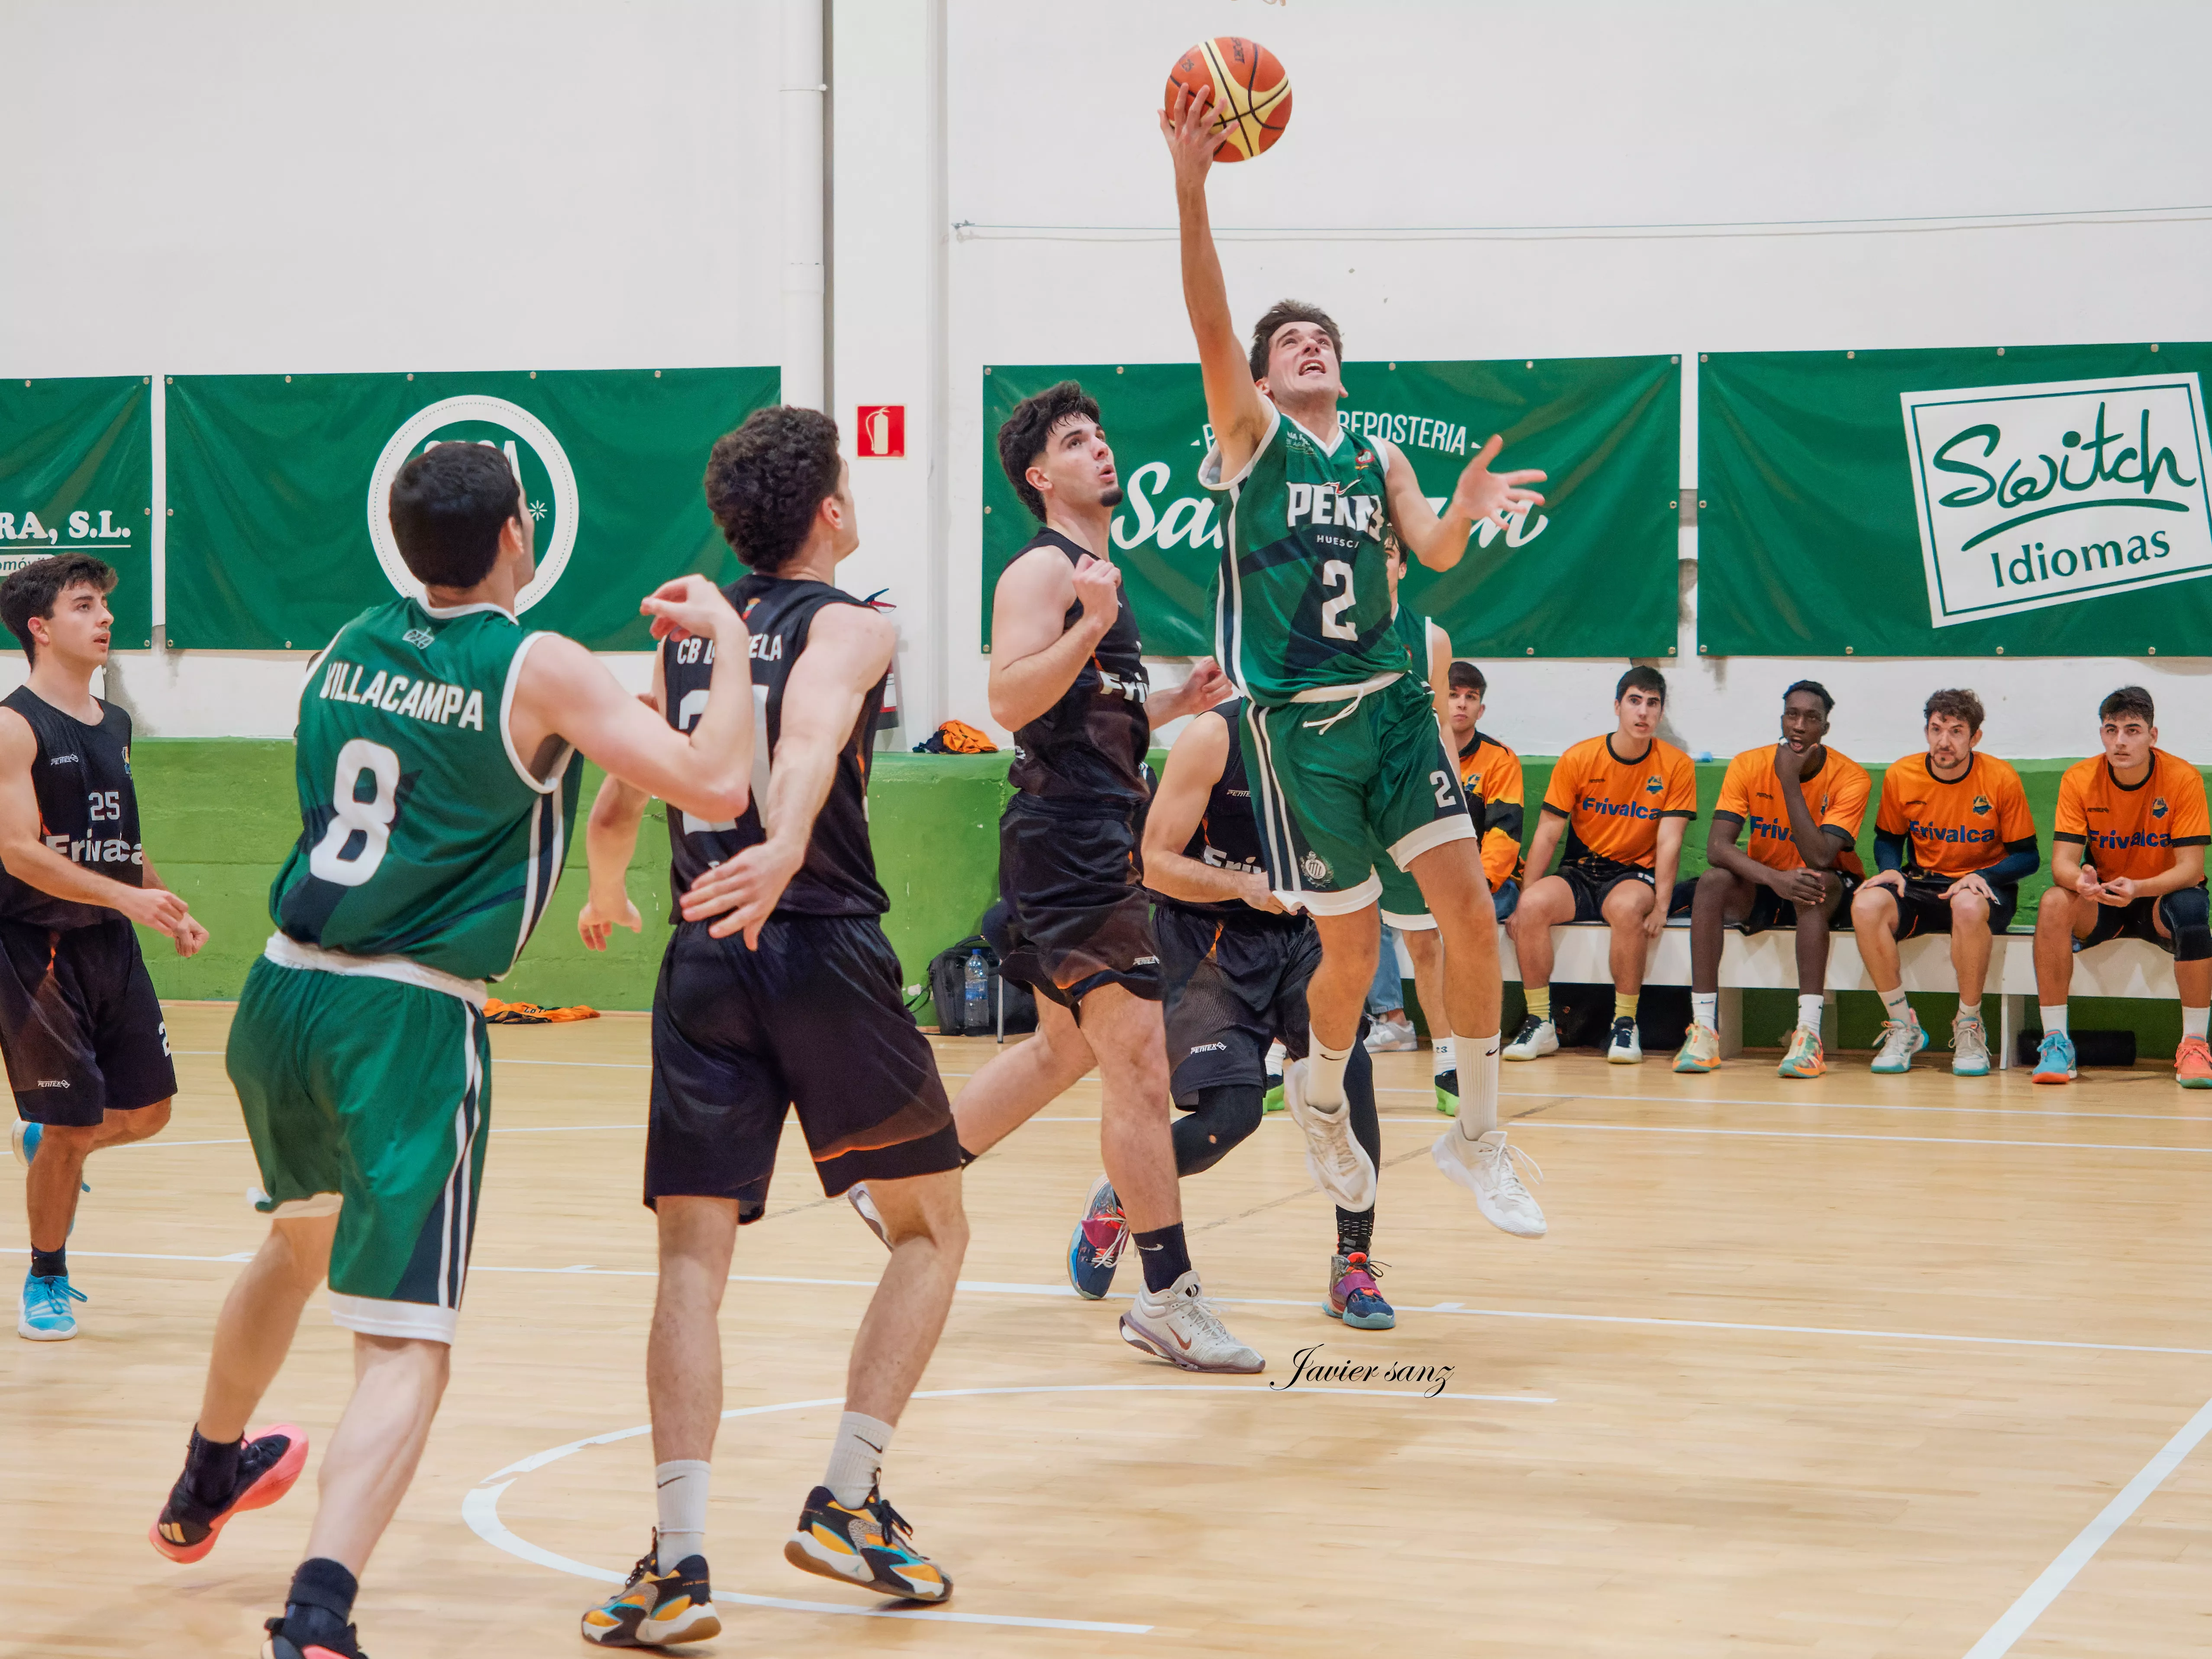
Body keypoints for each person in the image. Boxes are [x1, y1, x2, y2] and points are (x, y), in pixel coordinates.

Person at [151, 442, 756, 1659]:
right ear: (517, 534)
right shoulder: (532, 664)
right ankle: (317, 1616)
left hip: (281, 993)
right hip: (406, 1014)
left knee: (298, 1234)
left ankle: (207, 1475)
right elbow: (717, 784)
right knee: (407, 1344)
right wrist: (729, 644)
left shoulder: (342, 646)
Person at [572, 407, 970, 1637]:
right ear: (833, 513)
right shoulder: (855, 622)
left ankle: (674, 1561)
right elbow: (806, 740)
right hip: (820, 946)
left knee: (690, 1261)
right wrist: (789, 843)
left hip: (702, 950)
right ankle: (846, 1502)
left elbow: (622, 791)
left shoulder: (692, 640)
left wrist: (601, 885)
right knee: (931, 1232)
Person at [1165, 83, 1548, 1239]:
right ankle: (1320, 1089)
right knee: (1349, 943)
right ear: (1267, 379)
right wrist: (1191, 186)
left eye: (1320, 337)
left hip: (1388, 712)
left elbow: (1427, 546)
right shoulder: (1252, 440)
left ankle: (1475, 1135)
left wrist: (1465, 509)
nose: (1309, 344)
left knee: (1468, 915)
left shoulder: (1378, 452)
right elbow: (1208, 323)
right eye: (1290, 342)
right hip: (1301, 737)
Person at [874, 379, 1263, 1374]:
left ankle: (900, 1182)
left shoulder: (1097, 576)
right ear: (1040, 475)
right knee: (1136, 1060)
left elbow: (1095, 707)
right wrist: (1088, 626)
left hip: (1085, 836)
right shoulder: (1042, 571)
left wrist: (1174, 698)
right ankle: (1166, 1296)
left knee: (1061, 1048)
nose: (1102, 451)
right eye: (1079, 441)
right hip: (1069, 845)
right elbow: (1007, 695)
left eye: (1102, 437)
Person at [1111, 692, 1395, 1327]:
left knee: (1347, 1074)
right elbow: (1153, 864)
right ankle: (1123, 1194)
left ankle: (1353, 1262)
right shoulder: (1215, 737)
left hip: (1303, 934)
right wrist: (1243, 886)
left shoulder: (1347, 738)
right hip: (1207, 937)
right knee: (1231, 1116)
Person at [0, 554, 207, 1340]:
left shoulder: (113, 721)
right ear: (41, 628)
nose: (106, 618)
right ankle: (45, 1277)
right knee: (74, 1130)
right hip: (37, 948)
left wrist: (161, 901)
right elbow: (19, 850)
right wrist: (126, 896)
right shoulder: (13, 725)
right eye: (85, 606)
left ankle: (44, 1138)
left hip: (112, 940)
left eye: (105, 606)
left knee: (148, 1112)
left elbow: (118, 835)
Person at [1673, 681, 1868, 1078]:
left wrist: (1789, 781)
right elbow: (1717, 847)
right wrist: (1774, 879)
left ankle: (1808, 1036)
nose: (1798, 726)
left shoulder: (1852, 778)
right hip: (1769, 880)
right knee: (1711, 881)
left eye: (1811, 718)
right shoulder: (1748, 764)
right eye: (1791, 715)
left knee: (1814, 882)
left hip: (1829, 888)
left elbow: (1820, 855)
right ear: (1782, 720)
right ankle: (1705, 1029)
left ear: (1825, 728)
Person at [1505, 667, 1697, 1065]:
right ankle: (1540, 1022)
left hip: (1631, 874)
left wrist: (1661, 904)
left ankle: (1625, 1024)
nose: (1642, 712)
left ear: (1660, 713)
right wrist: (1524, 898)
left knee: (1627, 909)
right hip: (1579, 869)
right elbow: (1546, 835)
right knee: (1534, 906)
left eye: (1652, 703)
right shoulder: (1579, 758)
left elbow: (1670, 840)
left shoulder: (1677, 765)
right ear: (1617, 706)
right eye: (1634, 701)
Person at [2029, 686, 2212, 1088]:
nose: (2120, 741)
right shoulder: (2079, 779)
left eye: (2132, 730)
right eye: (2111, 730)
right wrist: (2081, 882)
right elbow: (2061, 863)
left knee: (2192, 911)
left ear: (2153, 736)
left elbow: (2190, 869)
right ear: (2101, 735)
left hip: (2157, 898)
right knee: (2053, 902)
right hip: (2105, 900)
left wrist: (2141, 887)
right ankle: (2056, 1042)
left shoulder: (2182, 778)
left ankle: (2195, 1045)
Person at [1850, 688, 2038, 1076]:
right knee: (1865, 904)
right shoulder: (1902, 774)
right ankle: (1903, 1027)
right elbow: (1888, 838)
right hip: (1922, 885)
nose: (1944, 741)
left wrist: (1982, 875)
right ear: (1926, 731)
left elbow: (2028, 856)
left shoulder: (2000, 778)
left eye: (1955, 731)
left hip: (1984, 889)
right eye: (1936, 729)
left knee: (1966, 904)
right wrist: (1890, 868)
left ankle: (1969, 1025)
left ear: (1975, 738)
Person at [1369, 535, 1463, 1113]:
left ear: (1402, 564)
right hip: (1346, 806)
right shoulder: (1326, 632)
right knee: (1319, 939)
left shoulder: (1430, 638)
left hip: (1408, 808)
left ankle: (1449, 1056)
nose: (1375, 561)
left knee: (1424, 942)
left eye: (1385, 551)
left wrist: (1452, 804)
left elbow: (1442, 727)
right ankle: (1286, 1054)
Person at [1449, 661, 1525, 927]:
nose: (1462, 704)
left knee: (1468, 917)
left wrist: (1479, 885)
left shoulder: (1501, 760)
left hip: (1489, 884)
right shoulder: (1416, 754)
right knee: (1372, 912)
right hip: (1432, 878)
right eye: (1453, 695)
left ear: (1480, 710)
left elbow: (1504, 833)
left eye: (1471, 697)